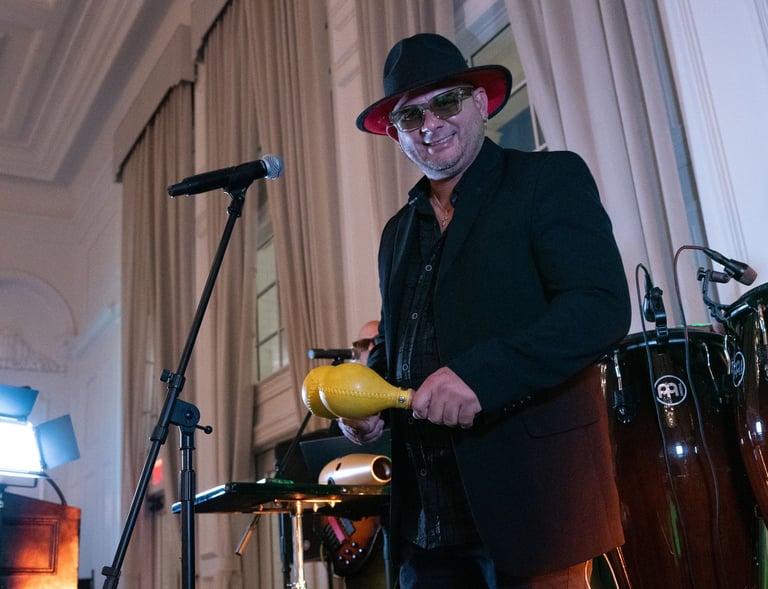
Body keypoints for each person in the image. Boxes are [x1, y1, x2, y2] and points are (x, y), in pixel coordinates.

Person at [337, 33, 631, 589]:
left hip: (537, 510)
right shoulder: (396, 233)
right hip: (426, 528)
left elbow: (601, 307)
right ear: (395, 133)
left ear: (479, 102)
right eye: (410, 116)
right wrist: (366, 400)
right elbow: (405, 346)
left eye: (445, 102)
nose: (429, 125)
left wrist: (482, 377)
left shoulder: (547, 179)